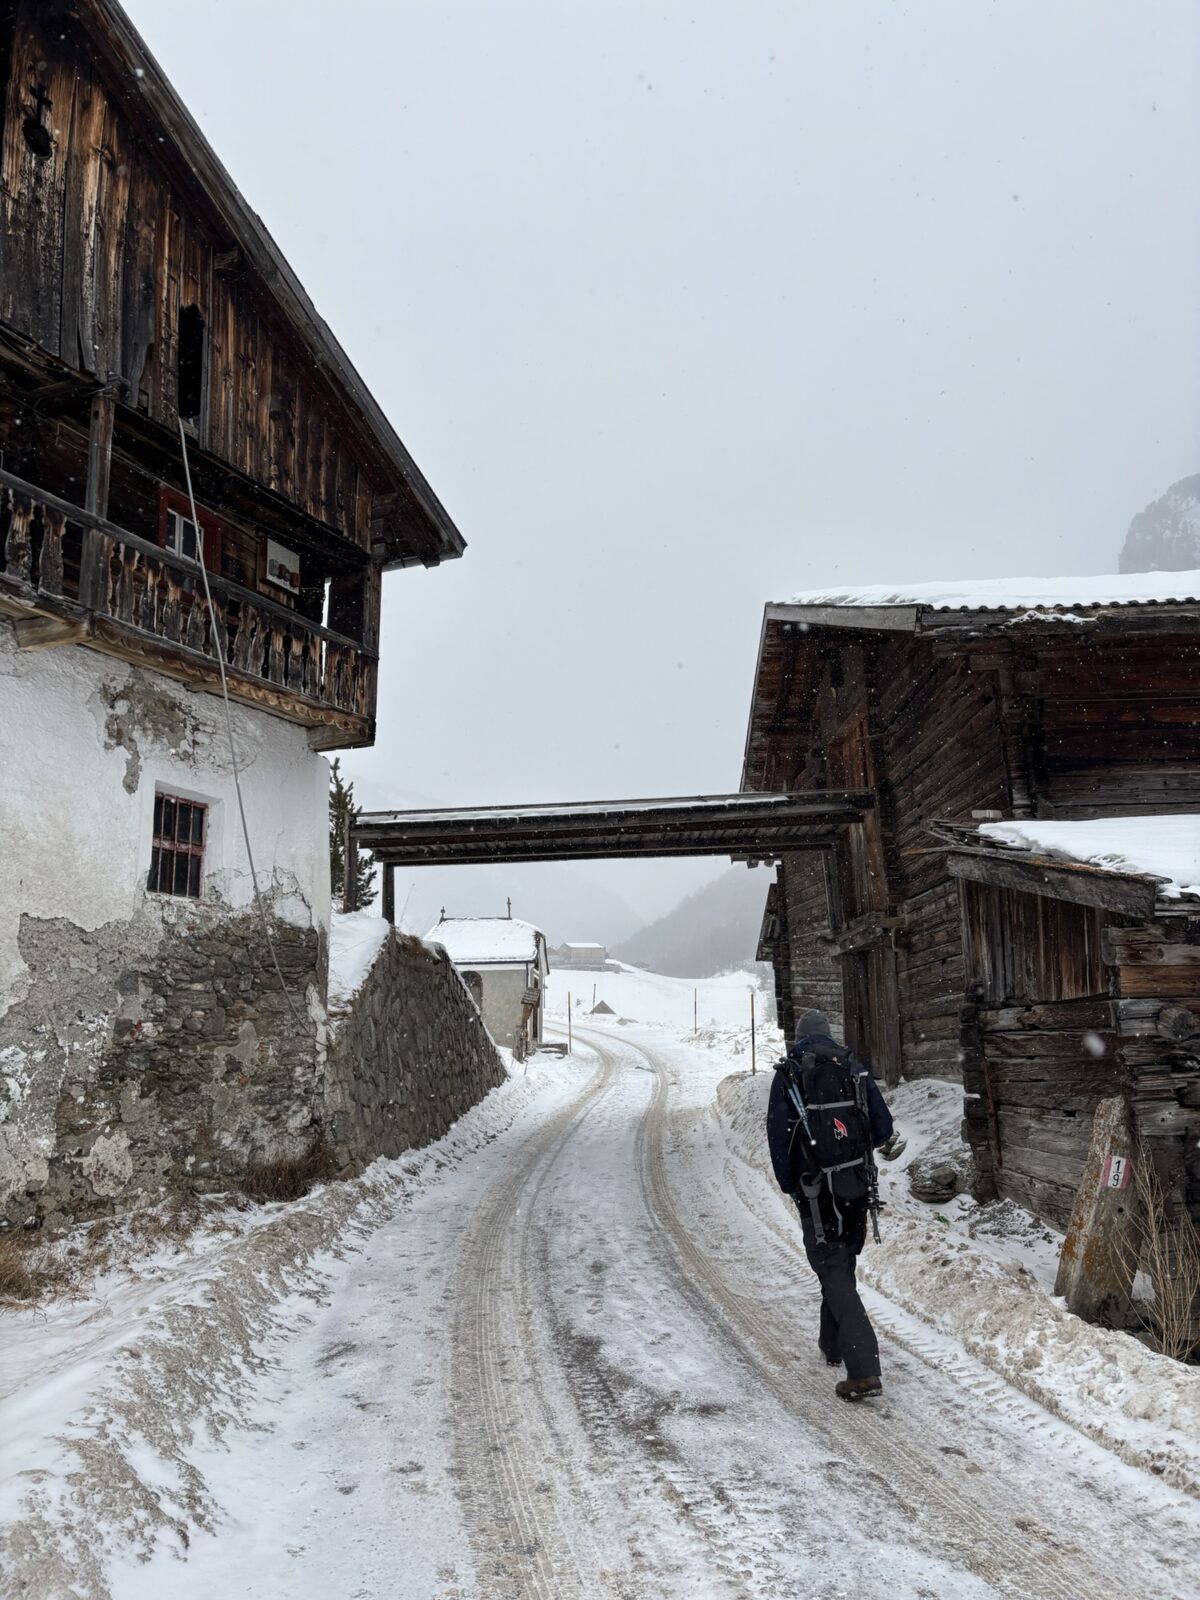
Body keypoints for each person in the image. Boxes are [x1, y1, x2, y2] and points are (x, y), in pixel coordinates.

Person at [766, 1009, 894, 1401]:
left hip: (815, 1190)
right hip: (856, 1186)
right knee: (840, 1264)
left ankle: (864, 1370)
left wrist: (793, 1186)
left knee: (832, 1267)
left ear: (799, 1038)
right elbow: (883, 1128)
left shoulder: (791, 1075)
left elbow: (778, 1135)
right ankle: (833, 1343)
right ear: (828, 1035)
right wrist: (849, 1153)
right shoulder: (853, 1069)